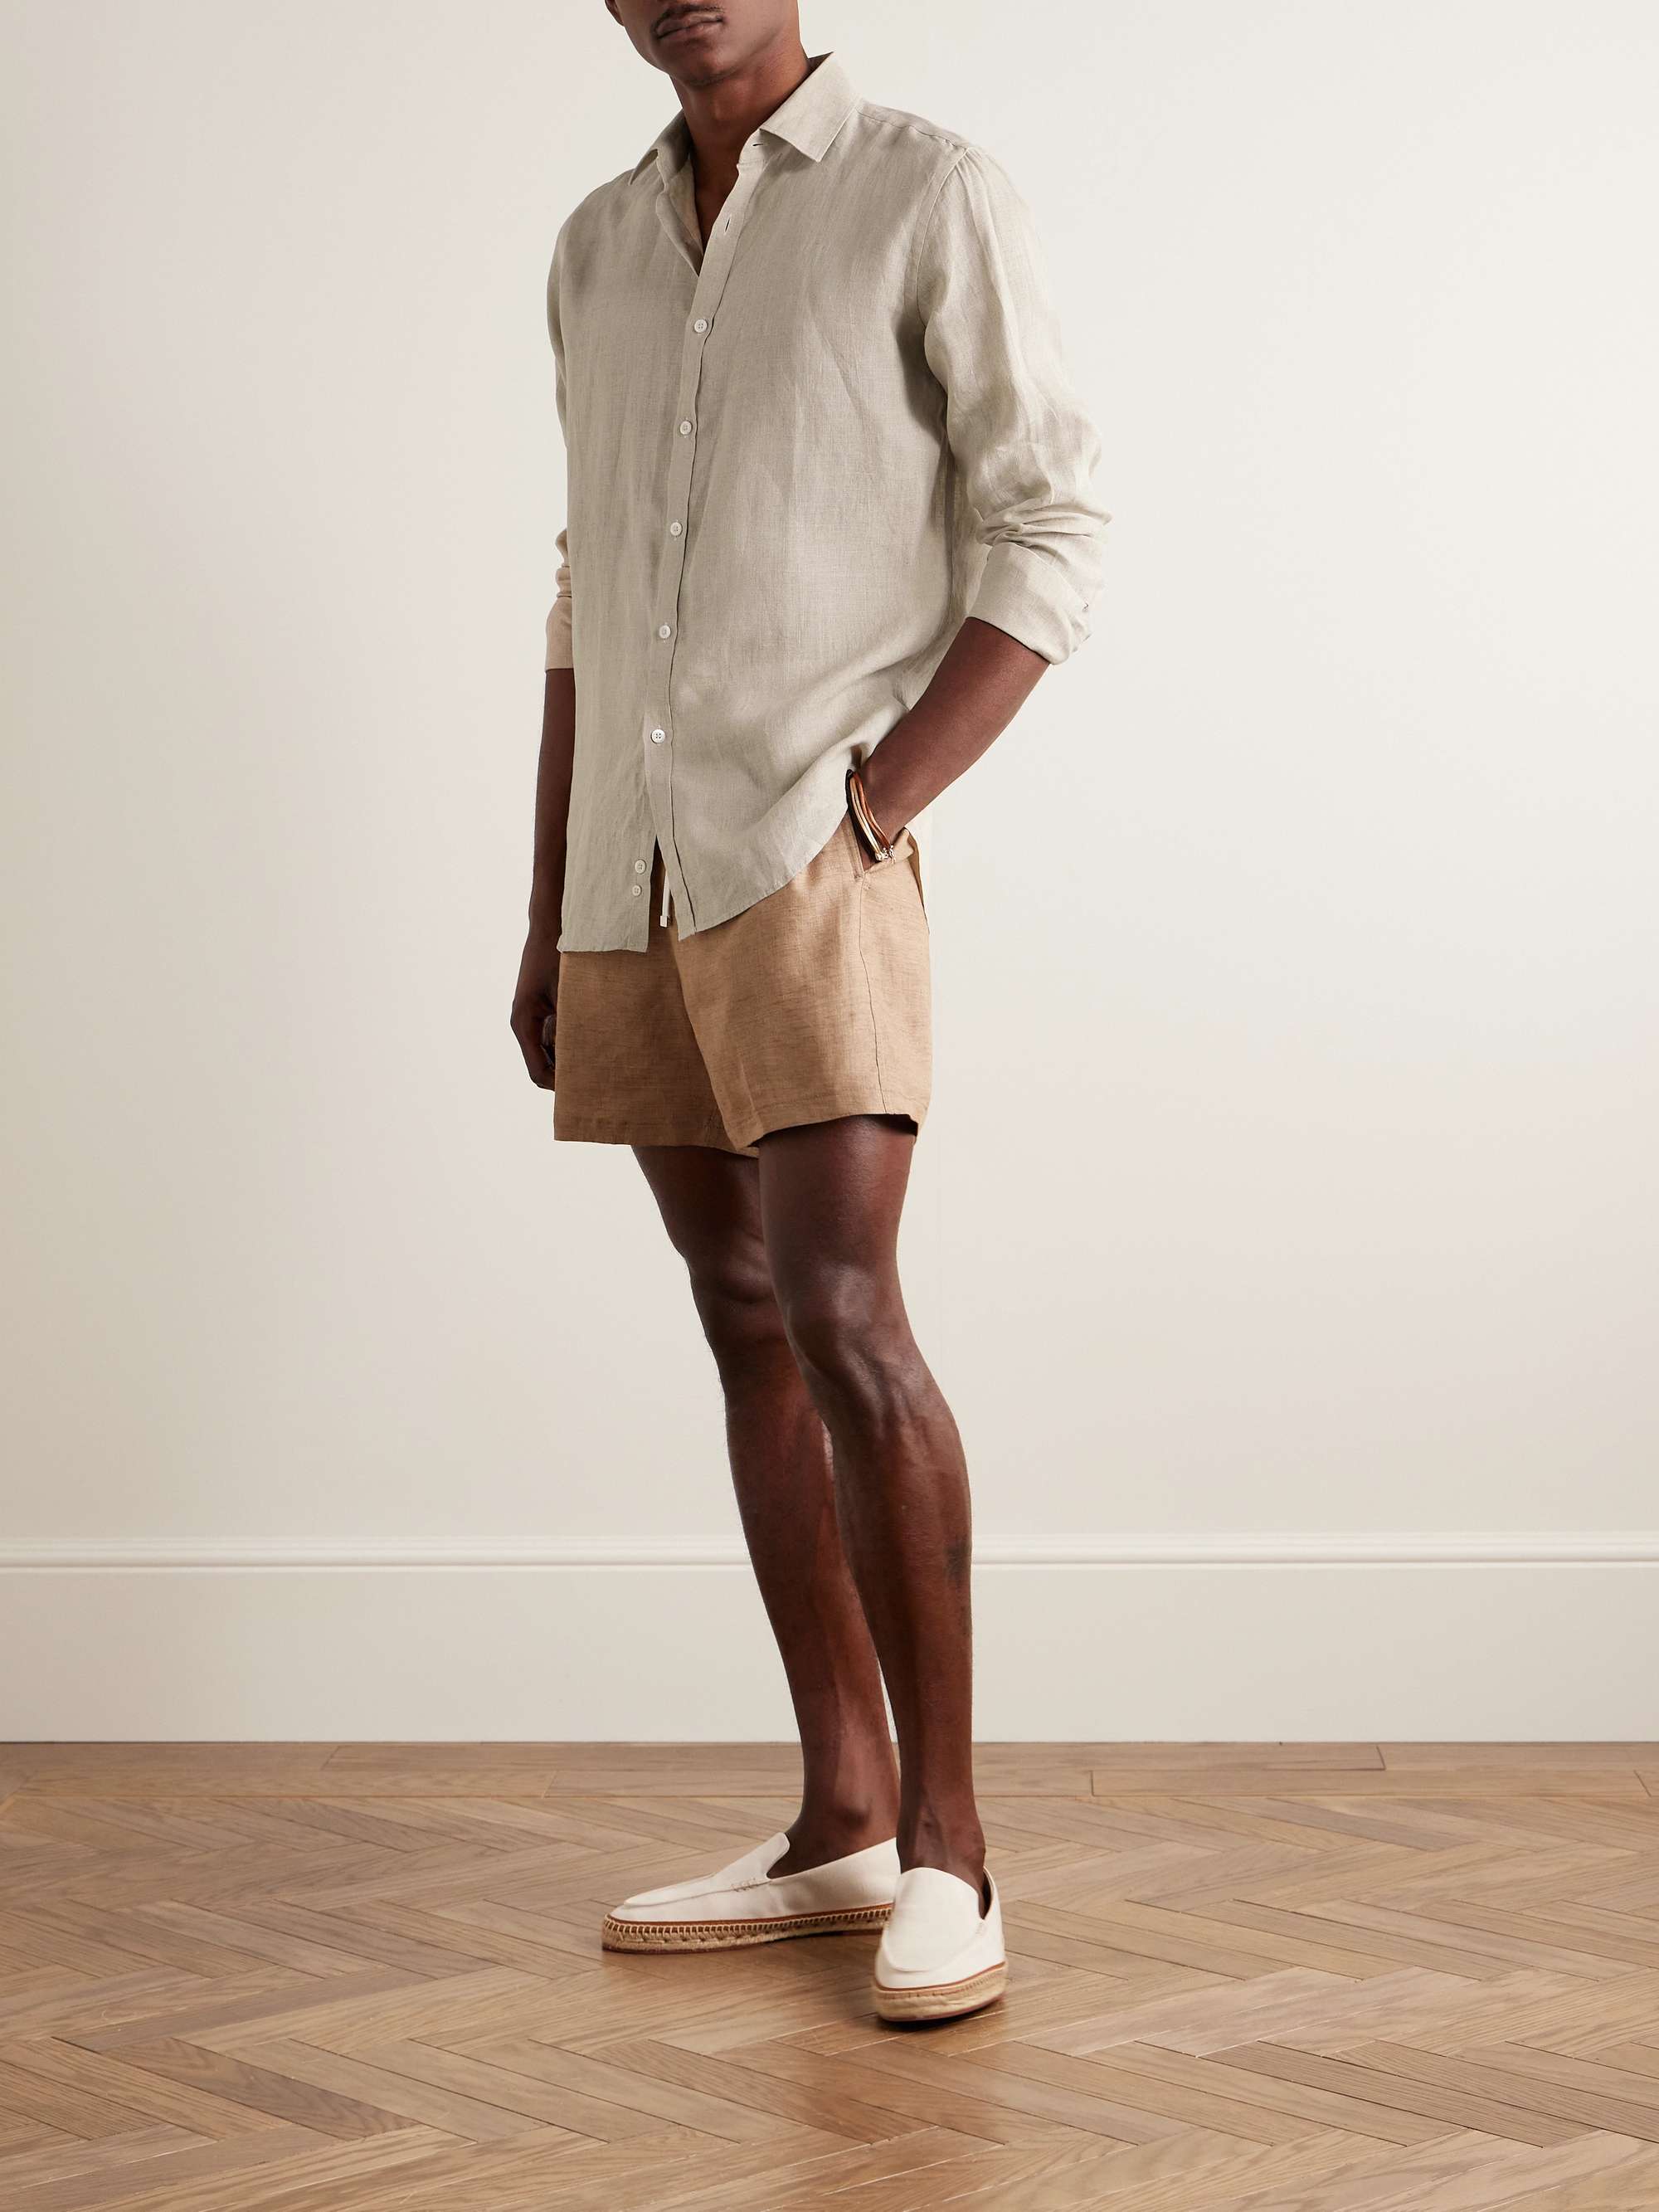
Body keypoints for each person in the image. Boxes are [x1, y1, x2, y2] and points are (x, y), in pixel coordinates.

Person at [511, 0, 1108, 2024]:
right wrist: (550, 904)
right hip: (633, 872)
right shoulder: (597, 244)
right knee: (743, 1312)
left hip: (805, 850)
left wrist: (880, 800)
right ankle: (840, 1815)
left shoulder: (922, 191)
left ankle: (952, 1847)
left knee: (848, 1313)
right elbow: (587, 583)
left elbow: (1051, 522)